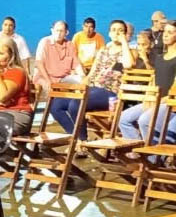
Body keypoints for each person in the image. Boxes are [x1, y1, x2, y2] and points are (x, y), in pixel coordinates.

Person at [53, 19, 134, 151]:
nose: (117, 33)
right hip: (93, 88)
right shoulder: (103, 51)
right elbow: (91, 74)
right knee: (56, 104)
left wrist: (124, 42)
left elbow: (129, 64)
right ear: (109, 33)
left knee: (76, 104)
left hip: (110, 92)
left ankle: (82, 141)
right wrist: (82, 87)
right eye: (114, 30)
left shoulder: (128, 52)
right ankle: (75, 137)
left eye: (121, 31)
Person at [120, 21, 176, 144]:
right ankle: (137, 149)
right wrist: (149, 98)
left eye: (170, 32)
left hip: (170, 103)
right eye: (165, 32)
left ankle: (152, 153)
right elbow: (155, 80)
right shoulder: (160, 58)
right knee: (124, 119)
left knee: (145, 121)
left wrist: (162, 100)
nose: (165, 35)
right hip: (155, 100)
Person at [33, 20, 84, 90]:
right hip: (44, 77)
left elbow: (76, 64)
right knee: (47, 90)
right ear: (52, 30)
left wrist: (83, 76)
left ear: (66, 32)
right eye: (57, 31)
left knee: (82, 81)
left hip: (63, 78)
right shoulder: (44, 42)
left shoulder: (69, 44)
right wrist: (48, 80)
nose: (58, 33)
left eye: (61, 31)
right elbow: (39, 63)